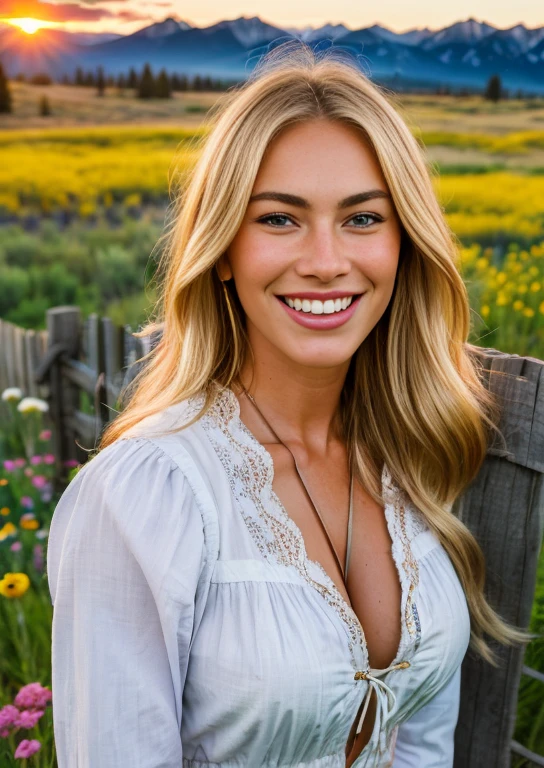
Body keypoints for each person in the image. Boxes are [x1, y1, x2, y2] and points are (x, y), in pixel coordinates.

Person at [46, 42, 529, 768]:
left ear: (405, 245)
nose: (327, 260)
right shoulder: (147, 495)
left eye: (363, 218)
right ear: (223, 253)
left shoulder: (409, 456)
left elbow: (423, 747)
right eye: (279, 218)